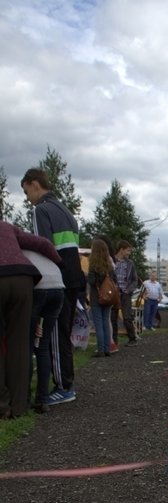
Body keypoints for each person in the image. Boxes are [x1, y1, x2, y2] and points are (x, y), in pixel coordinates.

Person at [21, 167, 83, 405]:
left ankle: (63, 386)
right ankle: (67, 381)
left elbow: (42, 248)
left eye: (27, 193)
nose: (28, 199)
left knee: (54, 335)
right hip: (74, 277)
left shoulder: (41, 210)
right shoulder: (67, 211)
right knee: (63, 333)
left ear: (35, 184)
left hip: (57, 278)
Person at [0, 220, 61, 418]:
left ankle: (2, 405)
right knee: (19, 344)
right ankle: (18, 407)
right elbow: (43, 244)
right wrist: (58, 262)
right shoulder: (6, 226)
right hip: (24, 278)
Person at [23, 243, 64, 413]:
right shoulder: (39, 250)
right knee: (42, 345)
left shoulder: (15, 251)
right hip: (58, 287)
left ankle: (24, 398)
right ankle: (43, 399)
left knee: (27, 345)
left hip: (38, 288)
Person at [87, 238, 117, 357]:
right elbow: (114, 280)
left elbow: (92, 281)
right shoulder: (110, 265)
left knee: (98, 323)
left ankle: (100, 350)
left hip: (96, 297)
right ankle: (107, 349)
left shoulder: (93, 264)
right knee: (106, 322)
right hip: (108, 296)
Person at [114, 240, 140, 346]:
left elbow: (135, 279)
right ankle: (113, 340)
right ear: (122, 249)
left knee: (127, 316)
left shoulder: (130, 263)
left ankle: (132, 338)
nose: (129, 253)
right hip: (114, 293)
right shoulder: (112, 260)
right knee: (112, 317)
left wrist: (129, 289)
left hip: (125, 293)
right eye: (128, 251)